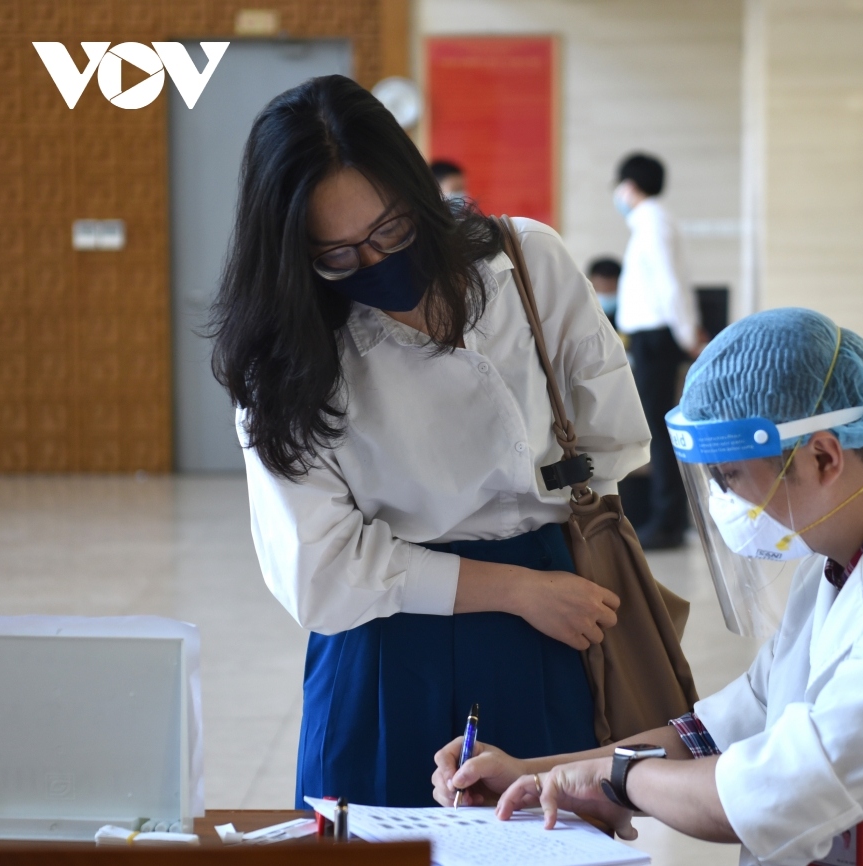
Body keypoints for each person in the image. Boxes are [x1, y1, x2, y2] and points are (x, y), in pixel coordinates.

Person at [432, 308, 863, 865]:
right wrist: (535, 774)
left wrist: (616, 779)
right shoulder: (846, 554)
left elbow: (775, 794)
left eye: (732, 480)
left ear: (823, 455)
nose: (728, 505)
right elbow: (725, 729)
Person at [210, 76, 651, 807]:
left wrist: (553, 562)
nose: (378, 263)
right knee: (379, 836)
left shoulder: (528, 263)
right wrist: (514, 587)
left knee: (544, 836)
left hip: (553, 618)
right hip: (387, 641)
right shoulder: (283, 356)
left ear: (419, 194)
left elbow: (614, 438)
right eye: (340, 256)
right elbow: (321, 572)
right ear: (294, 256)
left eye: (392, 231)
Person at [612, 152, 704, 550]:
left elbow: (670, 286)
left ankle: (667, 522)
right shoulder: (649, 222)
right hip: (652, 337)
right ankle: (665, 519)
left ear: (629, 186)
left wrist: (689, 335)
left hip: (657, 337)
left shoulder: (651, 223)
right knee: (658, 430)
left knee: (661, 433)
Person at [586, 257, 621, 329]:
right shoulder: (580, 320)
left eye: (610, 289)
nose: (605, 295)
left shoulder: (634, 320)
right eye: (598, 288)